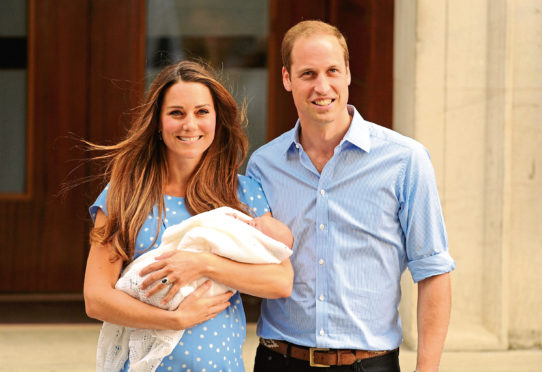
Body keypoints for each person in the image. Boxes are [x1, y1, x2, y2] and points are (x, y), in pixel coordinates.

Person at [246, 20, 456, 372]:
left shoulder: (405, 160)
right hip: (278, 360)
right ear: (287, 78)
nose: (322, 86)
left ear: (347, 73)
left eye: (332, 71)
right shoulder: (263, 166)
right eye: (308, 74)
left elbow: (433, 271)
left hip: (369, 364)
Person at [83, 60, 293, 372]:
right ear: (158, 121)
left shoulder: (243, 194)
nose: (190, 125)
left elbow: (280, 281)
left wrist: (203, 263)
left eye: (202, 112)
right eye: (176, 113)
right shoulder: (124, 195)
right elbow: (96, 298)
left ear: (218, 119)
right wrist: (173, 320)